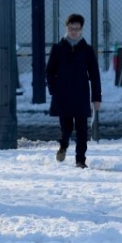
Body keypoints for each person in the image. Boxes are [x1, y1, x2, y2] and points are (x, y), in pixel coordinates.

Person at [45, 13, 102, 169]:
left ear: (82, 29)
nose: (74, 32)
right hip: (62, 95)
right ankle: (63, 145)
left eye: (77, 29)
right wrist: (53, 89)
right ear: (67, 28)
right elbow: (49, 71)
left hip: (81, 95)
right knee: (66, 128)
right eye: (71, 28)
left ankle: (80, 160)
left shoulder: (87, 50)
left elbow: (95, 75)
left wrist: (97, 97)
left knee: (82, 130)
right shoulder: (58, 49)